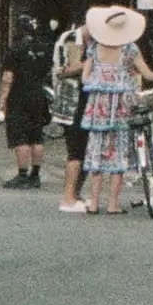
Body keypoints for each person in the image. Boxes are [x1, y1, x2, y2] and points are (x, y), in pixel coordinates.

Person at [75, 4, 153, 217]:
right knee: (120, 153)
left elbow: (85, 77)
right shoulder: (130, 49)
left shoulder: (95, 48)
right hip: (122, 106)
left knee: (96, 153)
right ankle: (113, 203)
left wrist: (100, 82)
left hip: (98, 109)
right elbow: (148, 74)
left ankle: (94, 203)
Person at [0, 14, 51, 189]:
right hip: (38, 96)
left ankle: (22, 175)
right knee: (37, 136)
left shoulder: (15, 50)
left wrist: (2, 100)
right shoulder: (44, 49)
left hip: (19, 96)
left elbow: (8, 77)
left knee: (20, 136)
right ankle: (35, 174)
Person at [51, 19, 91, 214]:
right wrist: (88, 64)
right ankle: (67, 196)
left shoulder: (100, 43)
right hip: (72, 102)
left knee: (87, 153)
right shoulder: (72, 40)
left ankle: (75, 193)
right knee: (76, 151)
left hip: (90, 102)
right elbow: (64, 70)